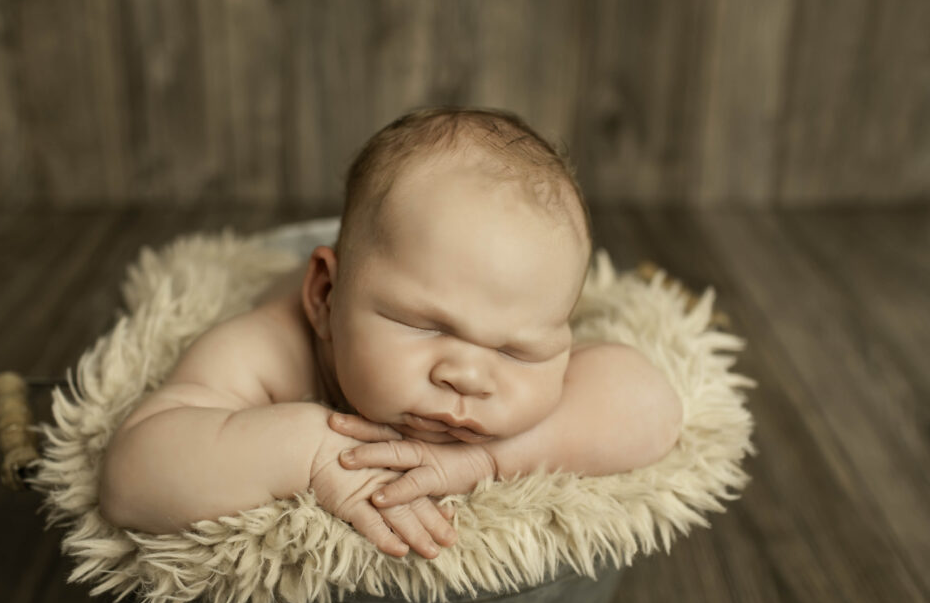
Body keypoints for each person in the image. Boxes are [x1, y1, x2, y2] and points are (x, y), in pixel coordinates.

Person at [98, 107, 683, 560]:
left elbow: (649, 403)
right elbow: (130, 476)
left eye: (515, 349)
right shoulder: (273, 345)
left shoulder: (518, 314)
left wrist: (490, 460)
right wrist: (310, 451)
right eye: (423, 324)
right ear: (325, 298)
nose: (469, 376)